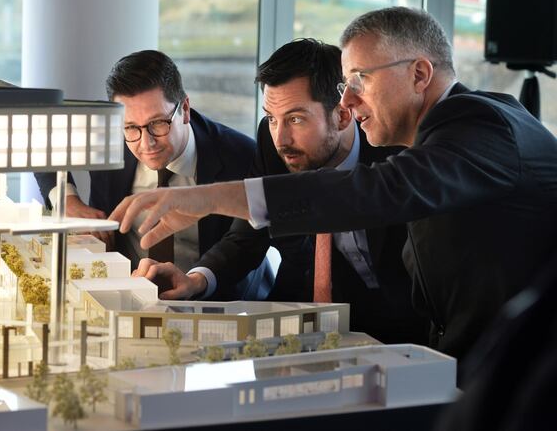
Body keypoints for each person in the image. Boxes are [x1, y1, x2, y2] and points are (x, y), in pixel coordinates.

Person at [111, 7, 557, 363]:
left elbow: (374, 192)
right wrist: (198, 278)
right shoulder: (441, 134)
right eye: (345, 84)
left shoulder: (480, 122)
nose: (347, 100)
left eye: (360, 80)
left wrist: (207, 197)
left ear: (420, 74)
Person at [133, 38, 427, 344]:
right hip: (307, 320)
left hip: (403, 327)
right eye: (272, 118)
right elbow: (248, 234)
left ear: (342, 115)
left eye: (296, 119)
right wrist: (196, 279)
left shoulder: (394, 151)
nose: (280, 138)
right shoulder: (275, 144)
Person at [35, 50, 267, 279]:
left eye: (158, 123)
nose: (147, 143)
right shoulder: (106, 134)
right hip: (124, 290)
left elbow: (245, 243)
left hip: (214, 297)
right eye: (131, 127)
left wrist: (199, 280)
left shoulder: (242, 155)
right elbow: (38, 141)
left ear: (184, 109)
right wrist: (67, 200)